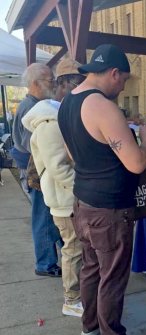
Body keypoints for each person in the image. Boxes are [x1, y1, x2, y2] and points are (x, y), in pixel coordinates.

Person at [57, 44, 146, 335]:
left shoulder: (66, 104)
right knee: (112, 275)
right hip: (110, 209)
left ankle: (90, 324)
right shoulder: (103, 107)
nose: (123, 86)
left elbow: (73, 155)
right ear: (113, 73)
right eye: (123, 80)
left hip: (83, 201)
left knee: (91, 269)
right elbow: (137, 164)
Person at [22, 58, 86, 317]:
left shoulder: (54, 117)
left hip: (66, 196)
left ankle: (77, 294)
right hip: (65, 199)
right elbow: (59, 168)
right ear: (65, 86)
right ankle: (72, 299)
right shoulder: (49, 123)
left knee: (74, 247)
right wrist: (81, 190)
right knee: (72, 248)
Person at [11, 63, 62, 277]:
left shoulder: (34, 105)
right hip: (37, 171)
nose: (54, 83)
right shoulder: (31, 108)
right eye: (50, 80)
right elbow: (34, 144)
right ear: (35, 83)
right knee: (43, 218)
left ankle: (49, 261)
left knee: (47, 217)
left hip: (36, 169)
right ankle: (46, 264)